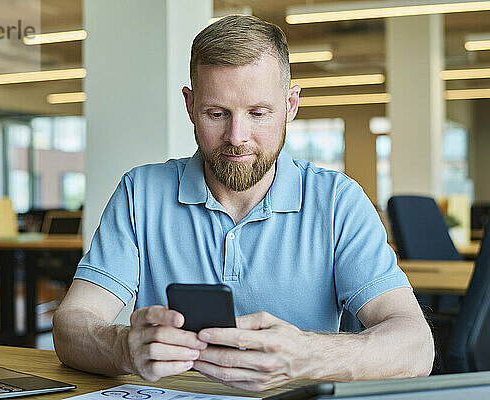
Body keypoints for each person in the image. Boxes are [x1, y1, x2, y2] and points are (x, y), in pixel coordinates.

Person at [53, 15, 434, 391]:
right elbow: (72, 323)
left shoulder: (337, 202)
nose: (237, 137)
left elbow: (415, 347)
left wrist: (304, 355)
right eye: (216, 114)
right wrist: (123, 347)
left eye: (258, 113)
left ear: (291, 105)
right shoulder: (141, 192)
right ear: (190, 106)